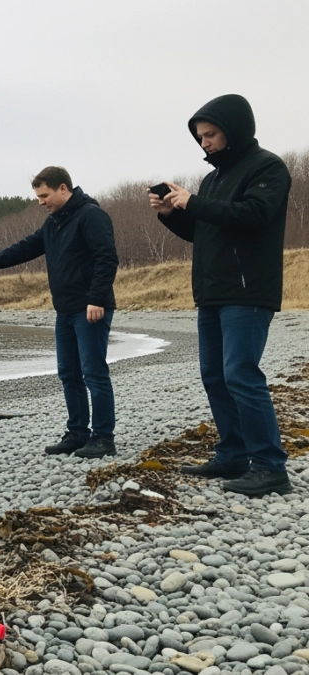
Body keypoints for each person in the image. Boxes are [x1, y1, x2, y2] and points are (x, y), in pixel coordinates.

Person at [149, 94, 292, 497]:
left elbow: (253, 215)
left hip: (248, 291)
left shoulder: (268, 167)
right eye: (200, 137)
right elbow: (203, 232)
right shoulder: (213, 179)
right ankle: (232, 455)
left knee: (241, 374)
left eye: (210, 134)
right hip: (212, 292)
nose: (205, 143)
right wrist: (171, 214)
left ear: (235, 129)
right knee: (214, 376)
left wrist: (193, 201)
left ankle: (269, 466)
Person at [0, 167, 119, 458]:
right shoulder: (54, 224)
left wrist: (96, 299)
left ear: (63, 188)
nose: (40, 202)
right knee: (68, 374)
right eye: (37, 197)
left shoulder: (91, 215)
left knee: (94, 373)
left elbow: (107, 258)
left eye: (44, 195)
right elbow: (23, 248)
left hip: (90, 309)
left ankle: (103, 438)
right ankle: (77, 433)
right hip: (66, 311)